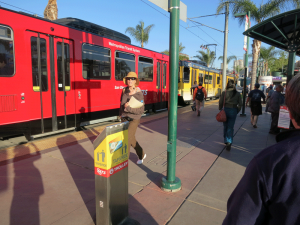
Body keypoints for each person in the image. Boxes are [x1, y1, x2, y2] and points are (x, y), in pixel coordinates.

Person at [222, 74, 300, 225]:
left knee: (227, 127)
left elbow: (240, 218)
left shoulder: (270, 161)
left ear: (289, 112)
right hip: (237, 110)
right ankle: (230, 138)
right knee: (231, 126)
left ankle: (228, 139)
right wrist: (238, 108)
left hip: (228, 110)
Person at [119, 72, 146, 164]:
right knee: (131, 139)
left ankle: (123, 162)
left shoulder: (139, 94)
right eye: (128, 78)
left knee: (126, 139)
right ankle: (141, 154)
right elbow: (121, 105)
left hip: (134, 119)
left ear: (135, 81)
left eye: (132, 79)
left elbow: (141, 110)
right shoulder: (124, 90)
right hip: (124, 118)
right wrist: (120, 114)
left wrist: (128, 108)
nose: (130, 80)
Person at [219, 80, 242, 150]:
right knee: (230, 126)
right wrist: (237, 110)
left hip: (225, 110)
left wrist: (220, 109)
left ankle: (225, 139)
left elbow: (220, 102)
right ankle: (229, 141)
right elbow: (240, 104)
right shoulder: (237, 93)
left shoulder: (224, 92)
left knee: (225, 125)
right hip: (233, 110)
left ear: (227, 85)